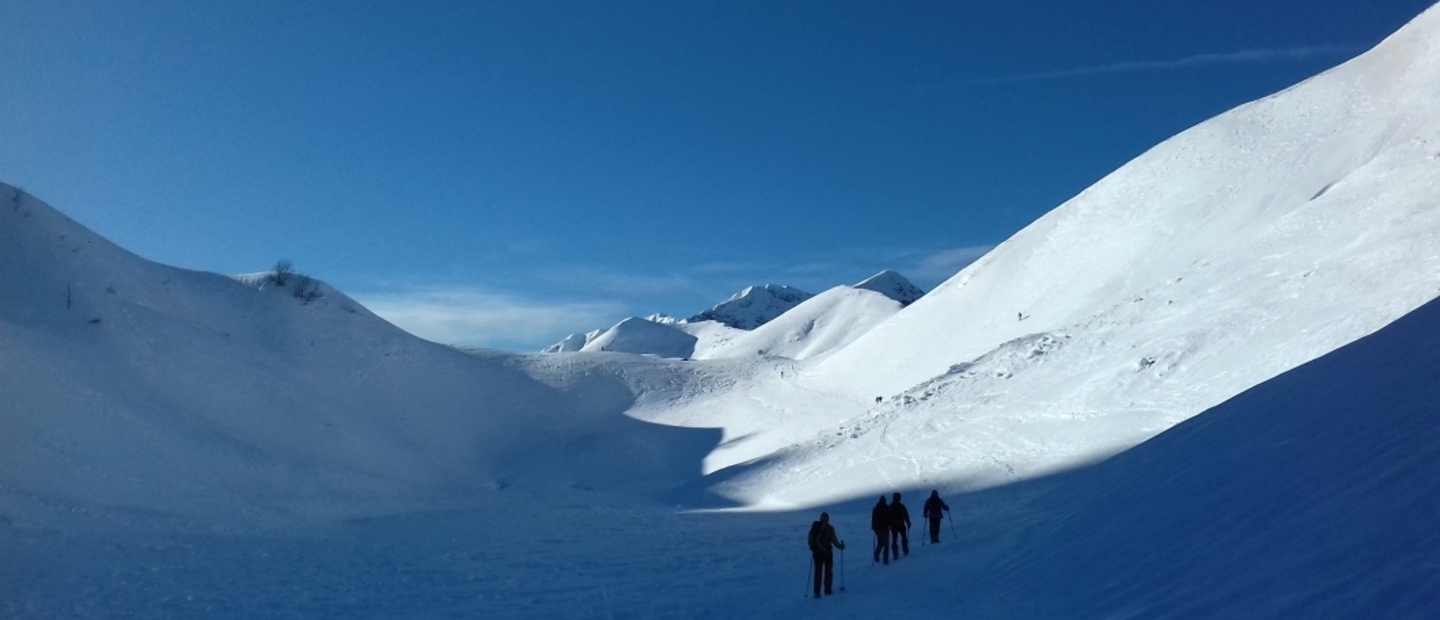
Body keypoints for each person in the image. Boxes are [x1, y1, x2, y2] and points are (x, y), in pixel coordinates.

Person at [807, 512, 845, 598]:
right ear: (827, 519)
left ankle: (817, 592)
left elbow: (810, 540)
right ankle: (827, 590)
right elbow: (834, 540)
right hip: (827, 552)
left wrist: (813, 548)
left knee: (818, 572)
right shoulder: (830, 528)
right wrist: (840, 546)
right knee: (828, 572)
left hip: (817, 553)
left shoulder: (814, 528)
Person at [870, 495, 891, 565]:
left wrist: (873, 527)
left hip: (878, 529)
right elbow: (889, 518)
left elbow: (873, 519)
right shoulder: (887, 508)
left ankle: (876, 555)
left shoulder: (876, 509)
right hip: (885, 528)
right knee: (886, 544)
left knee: (880, 543)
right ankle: (885, 560)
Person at [889, 492, 911, 557]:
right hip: (901, 525)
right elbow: (906, 515)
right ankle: (905, 550)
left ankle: (895, 554)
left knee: (894, 540)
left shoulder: (890, 506)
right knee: (903, 538)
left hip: (893, 526)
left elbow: (887, 517)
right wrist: (908, 522)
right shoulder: (901, 506)